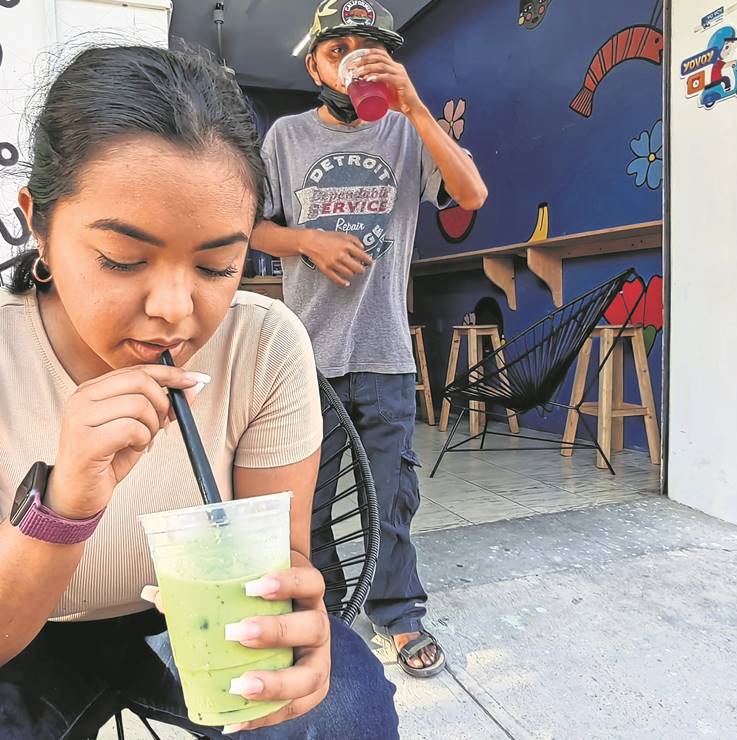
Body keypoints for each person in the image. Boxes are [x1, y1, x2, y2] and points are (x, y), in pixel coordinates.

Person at [0, 45, 398, 740]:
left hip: (200, 612)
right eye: (123, 259)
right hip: (19, 630)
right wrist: (59, 510)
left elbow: (281, 559)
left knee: (335, 711)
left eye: (217, 265)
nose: (174, 307)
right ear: (37, 225)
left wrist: (296, 603)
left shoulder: (263, 344)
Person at [250, 0, 488, 678]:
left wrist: (415, 107)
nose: (357, 58)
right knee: (314, 500)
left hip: (383, 354)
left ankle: (398, 612)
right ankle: (323, 615)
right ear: (314, 64)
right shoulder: (285, 137)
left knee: (388, 497)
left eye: (372, 46)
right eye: (340, 49)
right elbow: (249, 227)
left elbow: (470, 195)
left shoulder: (410, 133)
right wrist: (305, 240)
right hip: (306, 361)